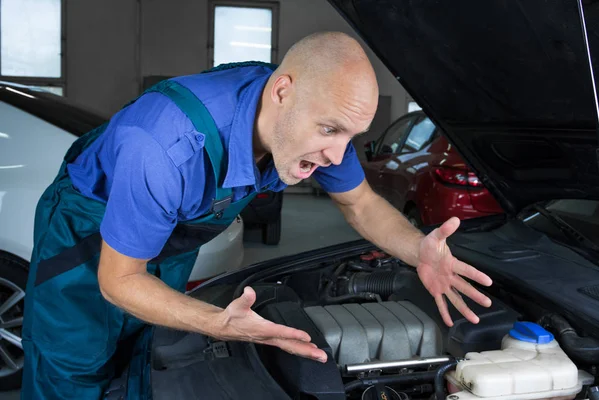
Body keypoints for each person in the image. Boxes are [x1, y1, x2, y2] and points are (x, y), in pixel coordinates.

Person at [21, 31, 492, 399]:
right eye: (330, 130)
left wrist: (417, 250)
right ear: (282, 91)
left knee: (147, 350)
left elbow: (361, 202)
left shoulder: (314, 116)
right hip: (86, 232)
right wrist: (217, 323)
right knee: (74, 364)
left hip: (171, 230)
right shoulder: (164, 147)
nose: (337, 155)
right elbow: (119, 280)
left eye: (350, 136)